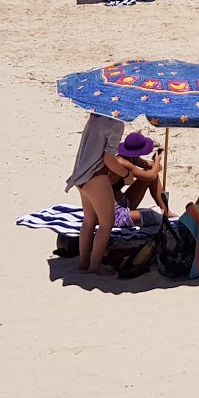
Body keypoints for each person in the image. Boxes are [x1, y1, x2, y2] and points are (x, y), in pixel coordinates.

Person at [64, 114, 145, 276]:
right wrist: (125, 174)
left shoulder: (95, 116)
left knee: (89, 221)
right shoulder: (116, 124)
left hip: (80, 174)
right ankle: (95, 266)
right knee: (107, 222)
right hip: (95, 176)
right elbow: (108, 159)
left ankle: (83, 263)